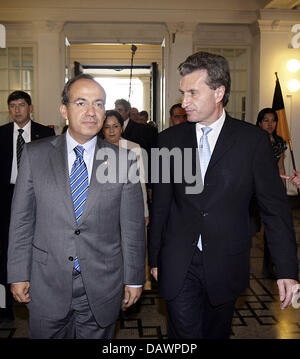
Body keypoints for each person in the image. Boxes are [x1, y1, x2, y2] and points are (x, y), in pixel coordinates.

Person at [148, 51, 299, 339]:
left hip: (227, 261)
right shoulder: (169, 140)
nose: (184, 102)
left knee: (216, 332)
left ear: (219, 92)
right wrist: (154, 259)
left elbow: (275, 210)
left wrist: (287, 270)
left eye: (193, 92)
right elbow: (161, 206)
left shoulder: (251, 142)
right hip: (179, 261)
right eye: (183, 93)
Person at [7, 74, 146, 339]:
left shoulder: (123, 161)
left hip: (102, 283)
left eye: (98, 104)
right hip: (45, 281)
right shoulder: (35, 155)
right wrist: (17, 273)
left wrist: (134, 278)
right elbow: (22, 221)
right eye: (81, 103)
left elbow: (133, 228)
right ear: (64, 110)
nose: (91, 112)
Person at [0, 91, 55, 322]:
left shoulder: (46, 133)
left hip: (36, 196)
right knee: (5, 248)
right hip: (5, 197)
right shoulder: (1, 133)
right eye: (12, 106)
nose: (17, 110)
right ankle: (5, 306)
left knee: (36, 244)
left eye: (21, 105)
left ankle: (38, 295)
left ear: (30, 108)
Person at [101, 109, 151, 290]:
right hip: (105, 210)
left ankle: (132, 285)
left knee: (130, 248)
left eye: (115, 126)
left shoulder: (134, 148)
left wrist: (144, 211)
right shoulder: (96, 148)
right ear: (101, 129)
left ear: (122, 128)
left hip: (130, 207)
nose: (112, 131)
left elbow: (141, 183)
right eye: (107, 127)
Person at [255, 108, 288, 278]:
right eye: (266, 120)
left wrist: (282, 193)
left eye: (273, 120)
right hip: (254, 192)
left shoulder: (280, 142)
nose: (270, 124)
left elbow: (281, 168)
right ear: (260, 122)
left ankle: (270, 266)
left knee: (273, 229)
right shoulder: (253, 141)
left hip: (271, 191)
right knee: (252, 229)